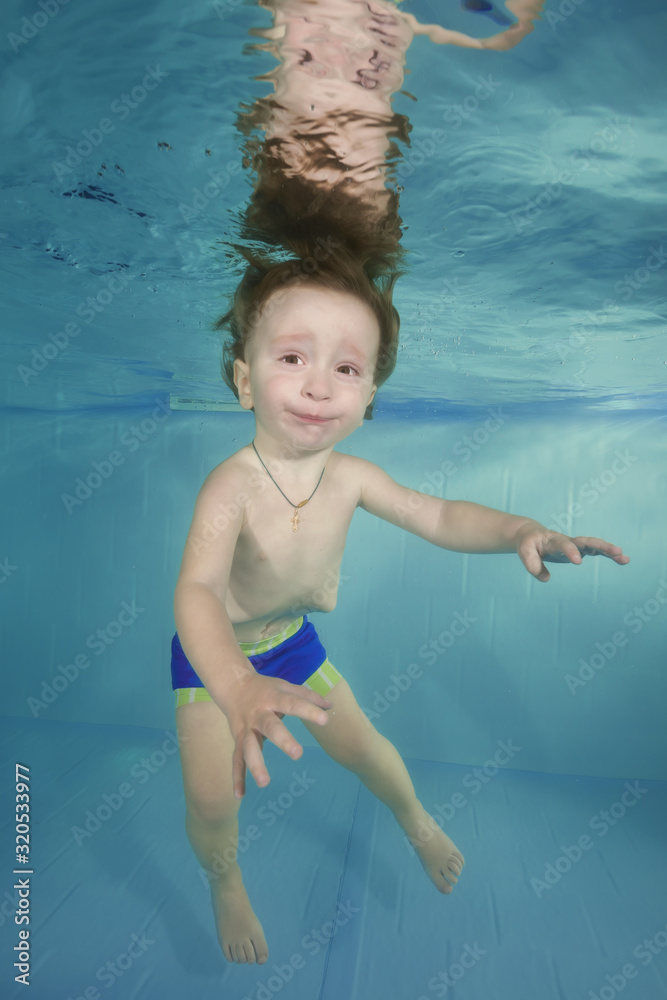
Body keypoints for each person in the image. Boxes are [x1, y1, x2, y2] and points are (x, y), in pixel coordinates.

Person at [172, 251, 629, 966]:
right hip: (214, 659)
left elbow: (439, 516)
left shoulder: (352, 476)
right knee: (210, 801)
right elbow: (196, 591)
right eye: (292, 357)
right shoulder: (228, 486)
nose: (320, 384)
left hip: (291, 644)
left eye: (348, 369)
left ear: (370, 395)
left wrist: (521, 530)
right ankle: (225, 883)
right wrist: (232, 682)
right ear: (243, 380)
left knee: (365, 747)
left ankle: (413, 819)